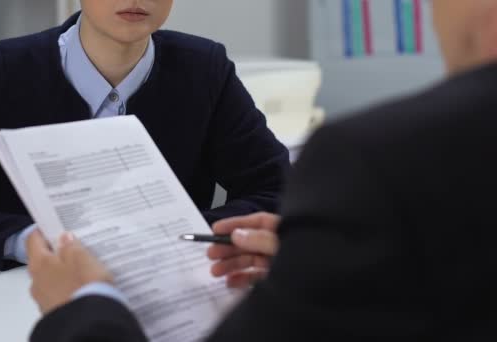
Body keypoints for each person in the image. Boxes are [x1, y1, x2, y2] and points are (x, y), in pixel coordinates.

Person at [25, 0, 497, 340]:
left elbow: (271, 180)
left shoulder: (375, 160)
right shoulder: (6, 66)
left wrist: (84, 309)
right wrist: (319, 260)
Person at [0, 0, 290, 270]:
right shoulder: (5, 70)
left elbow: (282, 193)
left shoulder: (205, 70)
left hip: (167, 298)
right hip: (29, 300)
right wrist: (28, 241)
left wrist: (181, 236)